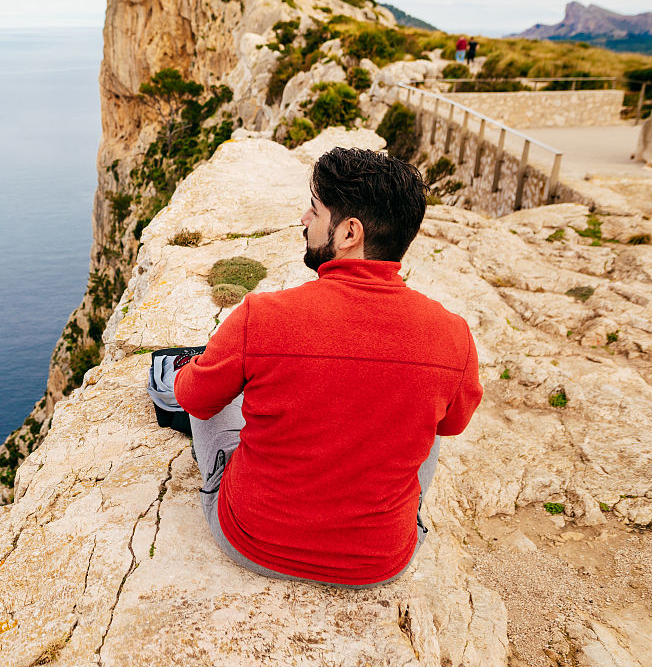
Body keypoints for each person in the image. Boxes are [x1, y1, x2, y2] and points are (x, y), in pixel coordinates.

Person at [174, 147, 483, 588]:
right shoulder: (453, 336)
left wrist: (199, 370)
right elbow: (451, 426)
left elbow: (193, 399)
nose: (304, 218)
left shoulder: (263, 316)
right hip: (378, 563)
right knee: (426, 420)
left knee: (213, 402)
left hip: (253, 541)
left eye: (315, 211)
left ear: (348, 233)